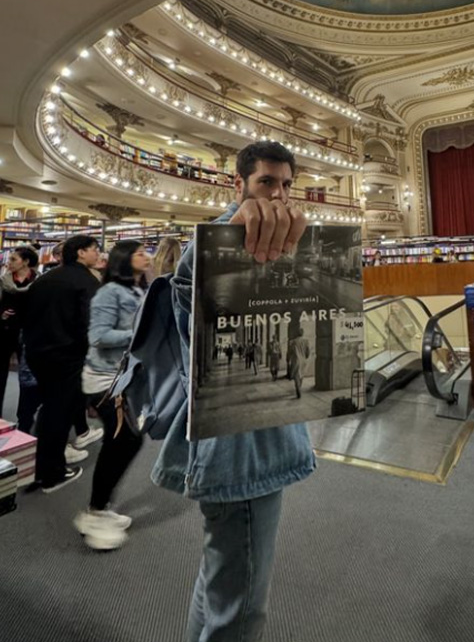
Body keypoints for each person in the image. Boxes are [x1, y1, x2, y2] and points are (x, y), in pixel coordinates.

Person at [151, 141, 313, 642]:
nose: (279, 194)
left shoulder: (284, 242)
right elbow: (189, 288)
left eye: (286, 184)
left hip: (259, 437)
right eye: (266, 182)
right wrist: (234, 227)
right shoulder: (222, 244)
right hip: (241, 451)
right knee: (241, 611)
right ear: (238, 184)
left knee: (220, 583)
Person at [74, 240, 150, 550]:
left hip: (123, 378)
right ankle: (95, 511)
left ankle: (100, 507)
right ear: (124, 259)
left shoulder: (137, 290)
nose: (147, 256)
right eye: (140, 252)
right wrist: (140, 335)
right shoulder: (109, 293)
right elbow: (98, 336)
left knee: (125, 441)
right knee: (125, 440)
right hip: (105, 381)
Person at [23, 235, 101, 491]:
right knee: (59, 412)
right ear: (81, 253)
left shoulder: (45, 279)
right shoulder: (85, 281)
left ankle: (43, 465)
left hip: (38, 354)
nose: (98, 254)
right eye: (94, 249)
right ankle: (51, 473)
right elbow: (88, 324)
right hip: (67, 357)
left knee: (50, 409)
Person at [0, 246, 39, 417]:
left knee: (26, 378)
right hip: (4, 331)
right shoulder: (3, 280)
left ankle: (24, 418)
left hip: (29, 333)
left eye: (13, 259)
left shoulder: (39, 282)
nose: (9, 263)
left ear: (26, 262)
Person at [286, 326, 310, 399]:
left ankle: (298, 390)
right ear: (303, 333)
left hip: (296, 360)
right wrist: (306, 356)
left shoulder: (293, 341)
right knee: (301, 375)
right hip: (303, 360)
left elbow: (289, 352)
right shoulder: (306, 341)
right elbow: (308, 351)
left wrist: (288, 359)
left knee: (296, 375)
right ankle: (299, 387)